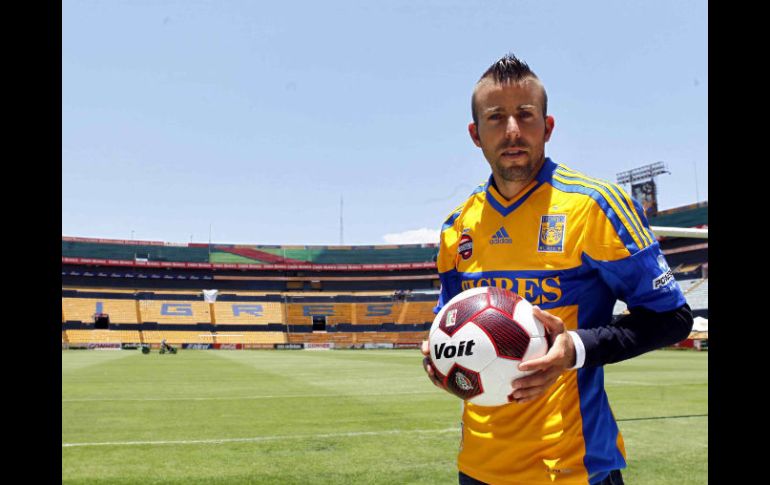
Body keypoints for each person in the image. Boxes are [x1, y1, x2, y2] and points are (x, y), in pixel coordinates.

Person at [421, 54, 693, 485]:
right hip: (477, 468)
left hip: (572, 469)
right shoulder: (458, 227)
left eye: (525, 114)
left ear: (547, 127)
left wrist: (575, 348)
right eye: (496, 117)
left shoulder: (594, 206)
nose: (512, 130)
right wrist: (438, 357)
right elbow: (448, 325)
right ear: (476, 134)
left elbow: (673, 317)